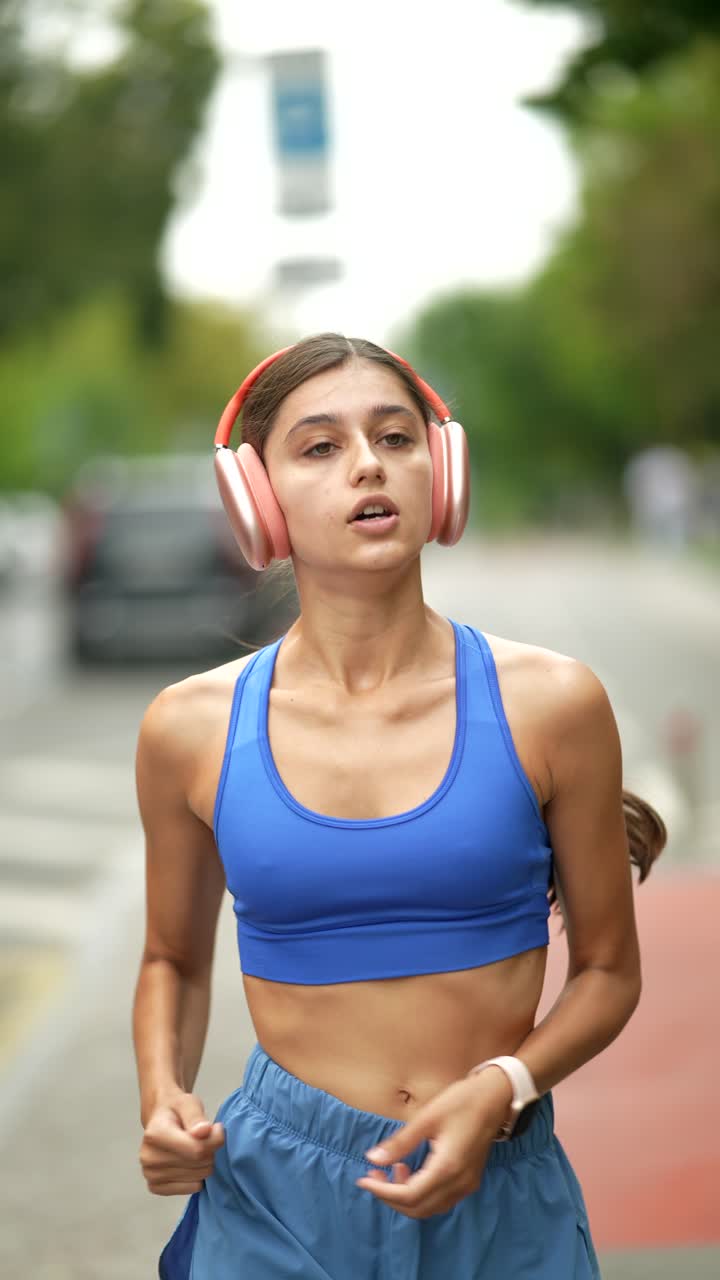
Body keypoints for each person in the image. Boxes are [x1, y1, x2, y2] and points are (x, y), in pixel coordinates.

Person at [132, 333, 667, 1279]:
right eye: (321, 447)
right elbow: (173, 957)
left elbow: (610, 973)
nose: (368, 463)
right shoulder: (189, 727)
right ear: (257, 500)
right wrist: (163, 1093)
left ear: (442, 472)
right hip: (274, 1202)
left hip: (502, 1186)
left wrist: (507, 1085)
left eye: (395, 437)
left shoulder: (555, 701)